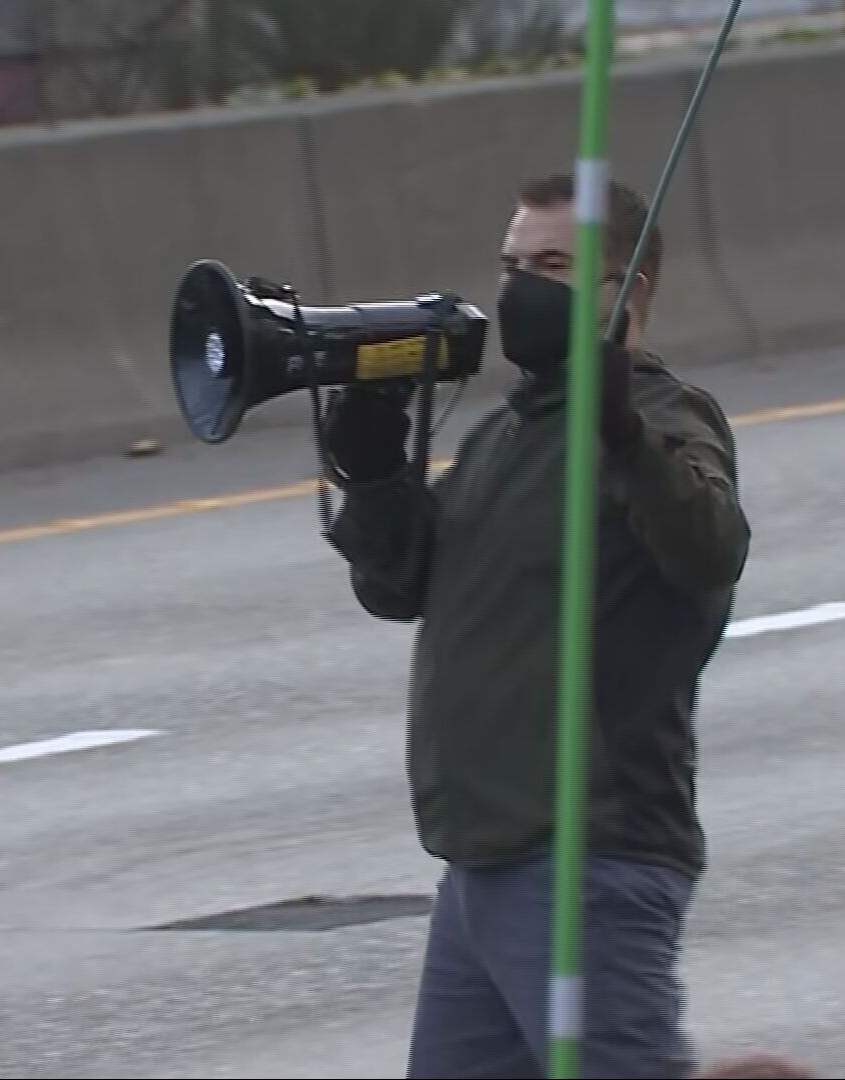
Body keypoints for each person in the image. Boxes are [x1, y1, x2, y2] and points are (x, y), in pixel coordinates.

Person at [322, 171, 752, 1078]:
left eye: (551, 265)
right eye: (510, 265)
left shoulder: (667, 420)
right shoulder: (507, 435)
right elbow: (402, 587)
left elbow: (709, 548)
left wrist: (621, 426)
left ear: (623, 291)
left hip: (583, 863)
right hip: (479, 872)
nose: (520, 288)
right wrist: (372, 474)